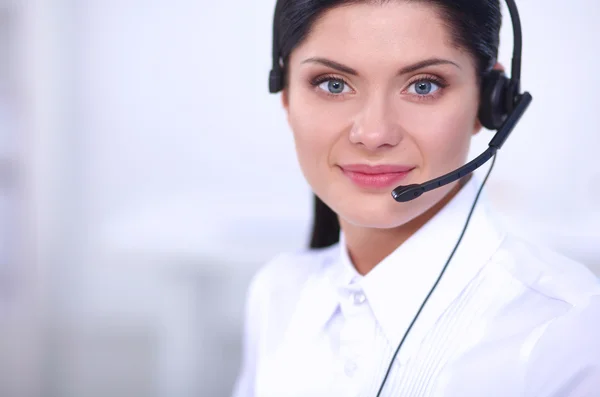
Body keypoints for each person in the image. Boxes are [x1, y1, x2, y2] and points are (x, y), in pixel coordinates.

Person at [232, 1, 600, 396]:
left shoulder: (569, 334)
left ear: (491, 102)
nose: (373, 133)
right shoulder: (278, 293)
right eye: (333, 84)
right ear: (285, 95)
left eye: (423, 85)